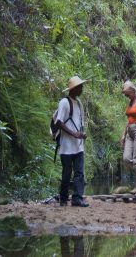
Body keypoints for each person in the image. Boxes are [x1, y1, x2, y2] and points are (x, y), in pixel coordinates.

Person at [55, 76, 89, 207]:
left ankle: (77, 199)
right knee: (66, 174)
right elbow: (58, 121)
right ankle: (63, 199)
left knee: (79, 173)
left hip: (78, 146)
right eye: (80, 86)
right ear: (74, 89)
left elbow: (79, 122)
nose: (82, 89)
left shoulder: (79, 103)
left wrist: (81, 133)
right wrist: (73, 133)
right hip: (66, 146)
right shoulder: (64, 102)